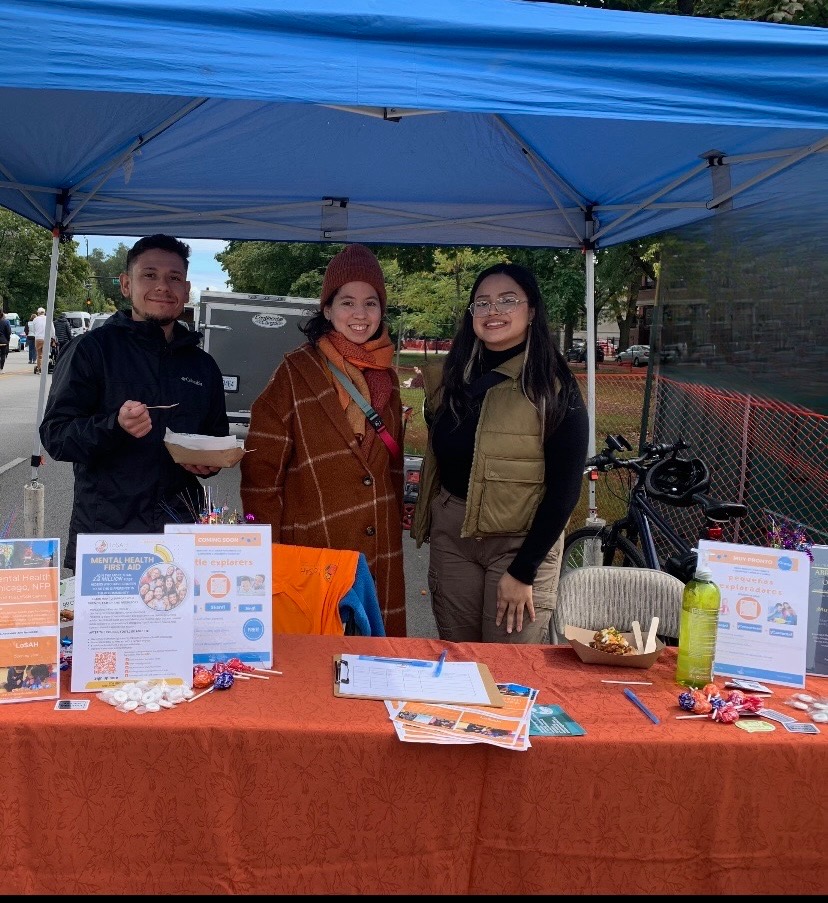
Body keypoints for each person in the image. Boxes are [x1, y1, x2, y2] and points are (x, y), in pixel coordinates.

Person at [411, 262, 589, 644]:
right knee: (459, 661)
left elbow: (565, 490)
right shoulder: (452, 378)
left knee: (510, 674)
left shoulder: (553, 387)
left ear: (532, 311)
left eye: (508, 300)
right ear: (471, 313)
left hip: (520, 543)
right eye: (483, 302)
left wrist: (524, 571)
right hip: (454, 538)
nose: (494, 311)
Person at [240, 244, 406, 636]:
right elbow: (260, 471)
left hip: (379, 549)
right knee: (312, 663)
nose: (360, 314)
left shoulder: (389, 378)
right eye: (347, 302)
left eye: (371, 302)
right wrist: (266, 553)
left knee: (375, 663)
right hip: (314, 548)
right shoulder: (296, 371)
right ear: (328, 309)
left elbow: (391, 469)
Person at [39, 234, 229, 572]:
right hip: (106, 534)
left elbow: (215, 437)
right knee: (105, 626)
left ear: (186, 290)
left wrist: (209, 462)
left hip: (181, 533)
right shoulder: (91, 350)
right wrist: (115, 426)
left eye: (174, 278)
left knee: (182, 625)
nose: (162, 286)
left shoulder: (203, 366)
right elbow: (56, 435)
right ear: (127, 285)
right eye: (149, 275)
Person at [32, 306, 48, 374]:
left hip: (38, 338)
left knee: (39, 355)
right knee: (46, 354)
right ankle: (45, 368)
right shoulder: (48, 318)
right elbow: (52, 329)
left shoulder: (35, 319)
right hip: (46, 338)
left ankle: (39, 368)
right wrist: (53, 336)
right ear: (44, 313)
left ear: (38, 313)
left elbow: (33, 329)